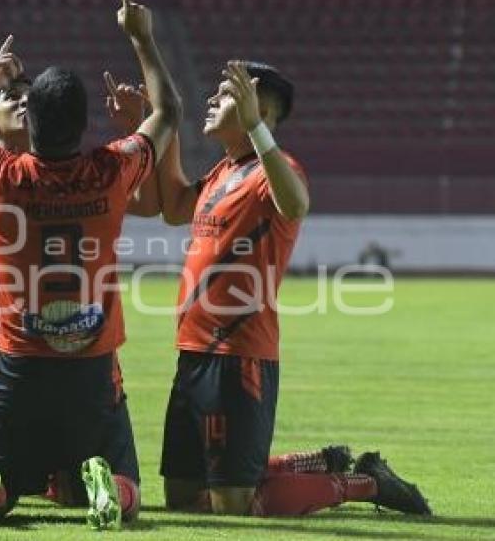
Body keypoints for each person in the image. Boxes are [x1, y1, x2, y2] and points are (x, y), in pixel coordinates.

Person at [0, 0, 182, 530]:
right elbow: (169, 111)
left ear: (29, 123)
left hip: (17, 363)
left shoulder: (2, 175)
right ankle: (106, 485)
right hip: (91, 365)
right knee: (129, 488)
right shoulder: (109, 169)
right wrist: (143, 40)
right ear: (85, 124)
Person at [154, 60, 431, 516]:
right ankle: (315, 462)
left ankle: (363, 483)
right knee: (184, 499)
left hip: (238, 355)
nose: (211, 100)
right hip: (192, 353)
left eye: (224, 94)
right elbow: (171, 206)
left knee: (235, 507)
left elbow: (296, 203)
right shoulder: (222, 175)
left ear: (255, 109)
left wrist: (257, 131)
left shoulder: (277, 171)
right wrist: (157, 132)